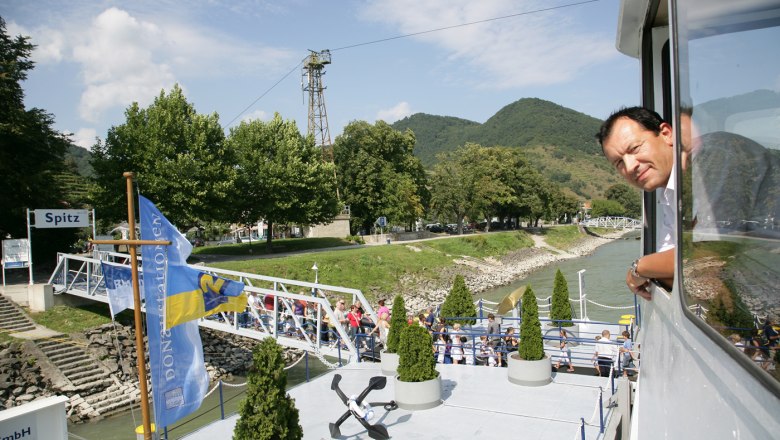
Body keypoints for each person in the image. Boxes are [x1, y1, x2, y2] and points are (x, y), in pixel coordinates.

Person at [597, 107, 677, 300]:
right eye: (619, 163)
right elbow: (673, 257)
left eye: (634, 149)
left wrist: (638, 269)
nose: (630, 166)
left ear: (666, 134)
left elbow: (704, 257)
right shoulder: (668, 195)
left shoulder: (709, 165)